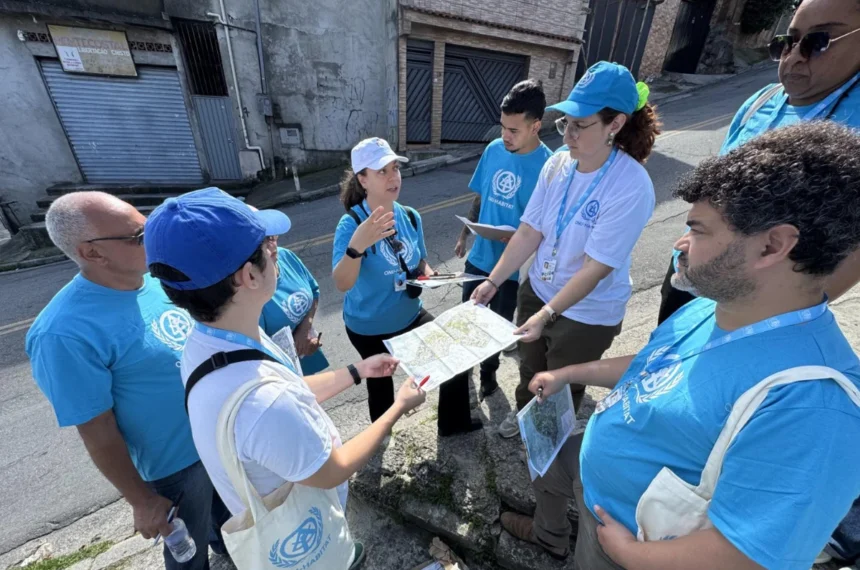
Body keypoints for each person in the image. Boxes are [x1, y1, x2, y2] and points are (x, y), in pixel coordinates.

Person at [500, 122, 860, 570]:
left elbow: (748, 556)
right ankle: (549, 534)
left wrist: (628, 553)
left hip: (628, 546)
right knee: (550, 473)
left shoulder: (814, 404)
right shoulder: (716, 305)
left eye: (699, 230)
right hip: (596, 484)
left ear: (772, 245)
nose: (680, 243)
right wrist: (570, 374)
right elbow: (660, 364)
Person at [144, 187, 427, 569]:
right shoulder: (265, 404)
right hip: (307, 544)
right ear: (249, 276)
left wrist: (355, 371)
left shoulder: (210, 340)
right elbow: (334, 470)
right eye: (268, 248)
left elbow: (286, 386)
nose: (276, 253)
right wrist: (396, 408)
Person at [25, 192, 230, 570]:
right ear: (92, 253)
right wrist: (141, 500)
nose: (152, 240)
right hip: (176, 469)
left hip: (219, 439)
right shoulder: (63, 333)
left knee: (232, 528)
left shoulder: (155, 280)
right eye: (138, 236)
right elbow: (96, 429)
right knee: (189, 556)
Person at [471, 61, 660, 438]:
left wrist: (546, 313)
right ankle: (526, 418)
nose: (568, 135)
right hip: (538, 290)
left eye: (580, 125)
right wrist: (493, 282)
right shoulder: (558, 164)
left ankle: (549, 437)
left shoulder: (630, 185)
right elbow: (529, 231)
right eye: (565, 123)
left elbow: (595, 268)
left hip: (586, 312)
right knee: (529, 367)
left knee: (560, 380)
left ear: (616, 124)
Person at [657, 0, 860, 325]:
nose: (794, 57)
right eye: (788, 42)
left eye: (818, 42)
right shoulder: (762, 100)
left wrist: (781, 317)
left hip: (756, 303)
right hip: (691, 268)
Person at [332, 137, 482, 437]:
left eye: (395, 169)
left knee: (453, 354)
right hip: (368, 326)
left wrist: (429, 273)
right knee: (381, 386)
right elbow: (341, 283)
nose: (393, 177)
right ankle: (380, 439)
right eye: (382, 172)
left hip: (409, 315)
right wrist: (357, 246)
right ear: (362, 179)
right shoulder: (350, 225)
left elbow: (419, 260)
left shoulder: (409, 215)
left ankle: (453, 424)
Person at [454, 79, 554, 398]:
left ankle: (488, 375)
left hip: (513, 270)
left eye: (514, 130)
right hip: (479, 258)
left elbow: (548, 228)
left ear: (536, 126)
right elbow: (481, 198)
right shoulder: (494, 150)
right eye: (503, 127)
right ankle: (463, 374)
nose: (505, 136)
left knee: (496, 329)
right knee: (467, 321)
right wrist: (463, 235)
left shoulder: (550, 167)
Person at [254, 207, 329, 375]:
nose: (272, 244)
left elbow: (313, 291)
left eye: (273, 237)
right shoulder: (251, 288)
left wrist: (305, 328)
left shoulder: (286, 256)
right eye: (264, 240)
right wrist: (295, 351)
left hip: (306, 358)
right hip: (281, 373)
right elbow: (257, 352)